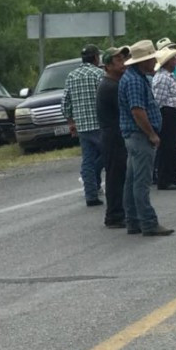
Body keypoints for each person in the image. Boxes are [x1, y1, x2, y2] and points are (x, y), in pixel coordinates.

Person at [117, 40, 173, 237]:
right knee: (141, 182)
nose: (153, 63)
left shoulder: (134, 77)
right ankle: (148, 223)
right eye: (151, 59)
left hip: (133, 135)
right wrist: (151, 134)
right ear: (143, 61)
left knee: (132, 180)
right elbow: (138, 111)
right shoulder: (134, 80)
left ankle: (134, 221)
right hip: (139, 136)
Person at [62, 44, 106, 206]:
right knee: (108, 155)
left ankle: (91, 195)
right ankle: (104, 185)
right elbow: (104, 98)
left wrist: (71, 122)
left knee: (87, 160)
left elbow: (65, 102)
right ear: (95, 57)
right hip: (100, 124)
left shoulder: (71, 76)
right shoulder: (99, 74)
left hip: (82, 126)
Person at [97, 46, 130, 228]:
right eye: (118, 60)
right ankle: (115, 215)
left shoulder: (115, 84)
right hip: (113, 136)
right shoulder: (110, 86)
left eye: (123, 59)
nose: (123, 63)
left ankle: (119, 211)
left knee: (119, 174)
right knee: (115, 176)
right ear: (108, 66)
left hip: (115, 135)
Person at [151, 48, 176, 191]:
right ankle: (165, 179)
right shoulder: (162, 78)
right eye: (173, 59)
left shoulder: (168, 76)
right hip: (166, 114)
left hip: (172, 113)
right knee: (167, 147)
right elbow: (158, 100)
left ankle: (172, 177)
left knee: (173, 147)